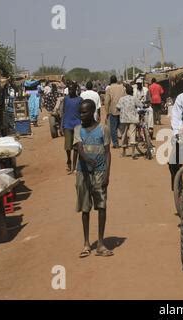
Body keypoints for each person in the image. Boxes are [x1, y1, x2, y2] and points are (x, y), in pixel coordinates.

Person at [74, 99, 113, 258]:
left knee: (101, 206)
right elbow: (79, 148)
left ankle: (101, 244)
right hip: (83, 173)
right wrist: (86, 159)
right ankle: (86, 243)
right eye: (80, 112)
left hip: (99, 172)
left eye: (84, 112)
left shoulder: (103, 129)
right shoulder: (78, 129)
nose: (81, 115)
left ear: (92, 112)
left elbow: (107, 152)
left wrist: (107, 174)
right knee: (85, 208)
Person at [116, 84, 143, 158]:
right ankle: (133, 153)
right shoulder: (134, 98)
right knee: (132, 134)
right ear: (132, 92)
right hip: (133, 119)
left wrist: (122, 110)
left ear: (126, 92)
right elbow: (141, 105)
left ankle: (124, 152)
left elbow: (118, 107)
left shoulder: (122, 99)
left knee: (124, 135)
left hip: (124, 119)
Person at [62, 83, 83, 173]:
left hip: (77, 125)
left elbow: (83, 112)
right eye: (69, 89)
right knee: (68, 146)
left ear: (75, 90)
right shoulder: (66, 99)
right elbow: (63, 112)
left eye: (72, 89)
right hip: (67, 124)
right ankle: (68, 161)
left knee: (76, 147)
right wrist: (61, 125)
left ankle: (74, 166)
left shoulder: (80, 99)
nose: (70, 91)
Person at [104, 75, 126, 148]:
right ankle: (124, 142)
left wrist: (107, 112)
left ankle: (115, 143)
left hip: (113, 110)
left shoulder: (109, 89)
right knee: (122, 127)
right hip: (122, 110)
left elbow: (107, 101)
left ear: (110, 81)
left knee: (113, 128)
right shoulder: (122, 87)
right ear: (116, 80)